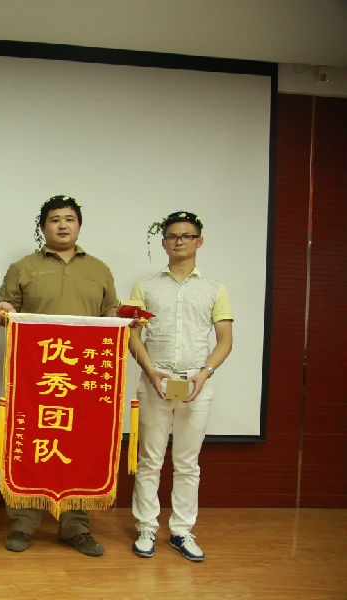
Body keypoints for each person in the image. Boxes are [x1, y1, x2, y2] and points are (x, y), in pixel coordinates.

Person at [0, 195, 118, 557]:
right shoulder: (22, 267)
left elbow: (110, 314)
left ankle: (76, 527)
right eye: (55, 219)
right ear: (43, 227)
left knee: (80, 447)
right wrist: (4, 310)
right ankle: (23, 523)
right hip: (36, 378)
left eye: (69, 219)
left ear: (79, 225)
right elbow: (9, 308)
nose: (63, 225)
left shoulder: (99, 269)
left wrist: (124, 320)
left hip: (82, 379)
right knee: (33, 444)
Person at [129, 211, 233, 562]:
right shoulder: (145, 286)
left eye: (187, 236)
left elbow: (225, 340)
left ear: (199, 241)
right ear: (163, 243)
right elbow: (132, 336)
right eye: (173, 236)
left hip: (195, 384)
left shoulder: (215, 289)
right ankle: (146, 527)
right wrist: (151, 371)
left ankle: (181, 530)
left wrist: (204, 373)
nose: (179, 241)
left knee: (188, 462)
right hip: (155, 382)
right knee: (150, 460)